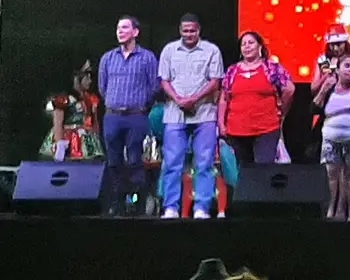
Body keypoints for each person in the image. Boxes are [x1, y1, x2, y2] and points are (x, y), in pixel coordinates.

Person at [158, 13, 225, 220]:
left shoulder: (211, 50)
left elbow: (215, 81)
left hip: (204, 114)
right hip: (175, 114)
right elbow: (164, 80)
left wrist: (194, 99)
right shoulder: (169, 50)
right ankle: (171, 207)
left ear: (199, 30)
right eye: (185, 31)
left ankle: (201, 207)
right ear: (180, 31)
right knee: (172, 163)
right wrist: (178, 99)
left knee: (204, 164)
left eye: (192, 31)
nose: (189, 34)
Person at [99, 15, 159, 216]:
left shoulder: (147, 58)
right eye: (118, 28)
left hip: (136, 116)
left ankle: (138, 206)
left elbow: (154, 86)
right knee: (114, 162)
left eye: (125, 28)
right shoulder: (108, 58)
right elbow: (103, 87)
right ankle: (117, 205)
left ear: (136, 32)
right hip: (113, 116)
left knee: (135, 161)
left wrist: (139, 104)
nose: (120, 31)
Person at [218, 31, 295, 166]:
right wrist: (221, 123)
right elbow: (224, 98)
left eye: (251, 43)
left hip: (266, 129)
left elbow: (289, 89)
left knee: (263, 170)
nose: (247, 46)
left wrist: (281, 111)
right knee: (244, 171)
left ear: (260, 46)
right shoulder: (232, 71)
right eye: (243, 44)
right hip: (237, 131)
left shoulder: (271, 68)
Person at [307, 23, 350, 215]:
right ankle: (329, 207)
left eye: (340, 44)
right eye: (333, 45)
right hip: (327, 116)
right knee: (330, 168)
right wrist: (326, 77)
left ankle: (343, 209)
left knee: (348, 169)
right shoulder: (323, 61)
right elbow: (313, 89)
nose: (336, 48)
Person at [312, 53, 350, 221]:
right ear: (338, 69)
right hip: (330, 139)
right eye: (347, 66)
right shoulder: (330, 88)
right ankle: (330, 210)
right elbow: (313, 109)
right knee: (331, 175)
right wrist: (323, 90)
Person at [39, 60, 104, 161]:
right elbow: (58, 123)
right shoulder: (64, 99)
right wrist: (59, 143)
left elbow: (94, 123)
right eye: (87, 77)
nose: (90, 81)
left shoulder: (91, 98)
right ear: (77, 78)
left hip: (87, 142)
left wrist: (96, 139)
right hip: (68, 141)